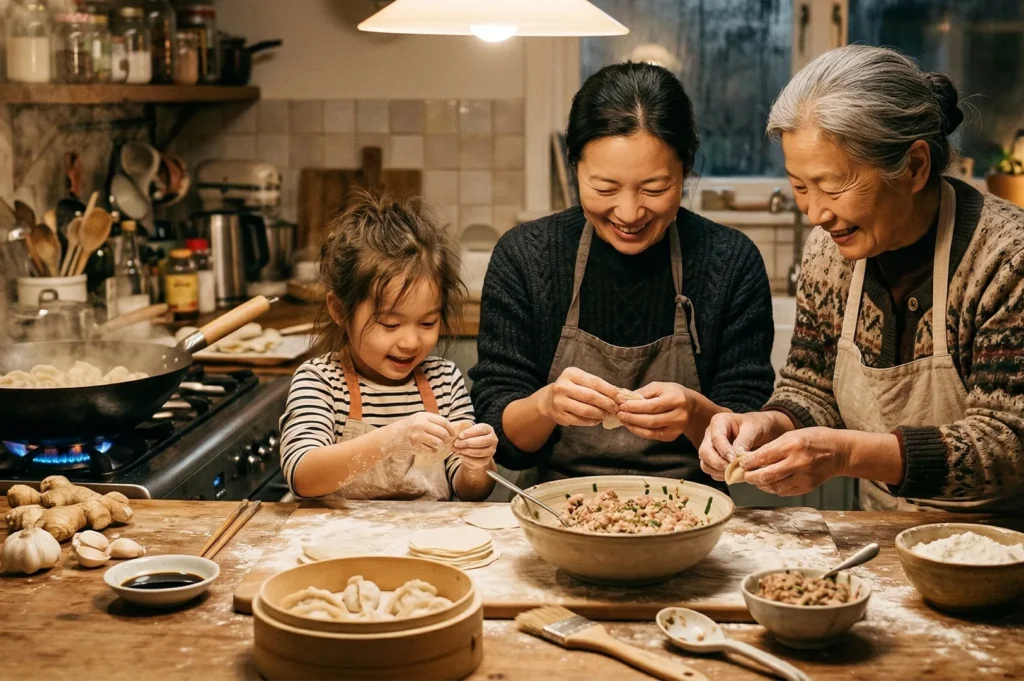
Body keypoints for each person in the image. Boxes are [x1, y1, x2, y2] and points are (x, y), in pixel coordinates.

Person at [699, 45, 1024, 511]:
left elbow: (1008, 445)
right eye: (799, 186)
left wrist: (845, 452)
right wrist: (770, 423)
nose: (815, 213)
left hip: (999, 549)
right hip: (877, 538)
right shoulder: (829, 253)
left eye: (832, 186)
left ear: (914, 167)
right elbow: (810, 387)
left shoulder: (1005, 258)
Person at [470, 62, 775, 484]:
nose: (629, 213)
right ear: (574, 167)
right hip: (555, 513)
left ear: (685, 171)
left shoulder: (730, 261)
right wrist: (545, 406)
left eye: (654, 188)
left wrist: (693, 413)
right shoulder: (526, 256)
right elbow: (498, 438)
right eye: (605, 188)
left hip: (690, 514)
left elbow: (749, 438)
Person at [278, 191, 497, 501]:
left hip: (427, 544)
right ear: (340, 310)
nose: (410, 342)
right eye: (390, 324)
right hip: (340, 546)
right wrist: (393, 438)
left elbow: (471, 490)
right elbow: (303, 476)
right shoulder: (321, 381)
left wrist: (478, 463)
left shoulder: (443, 381)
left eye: (427, 323)